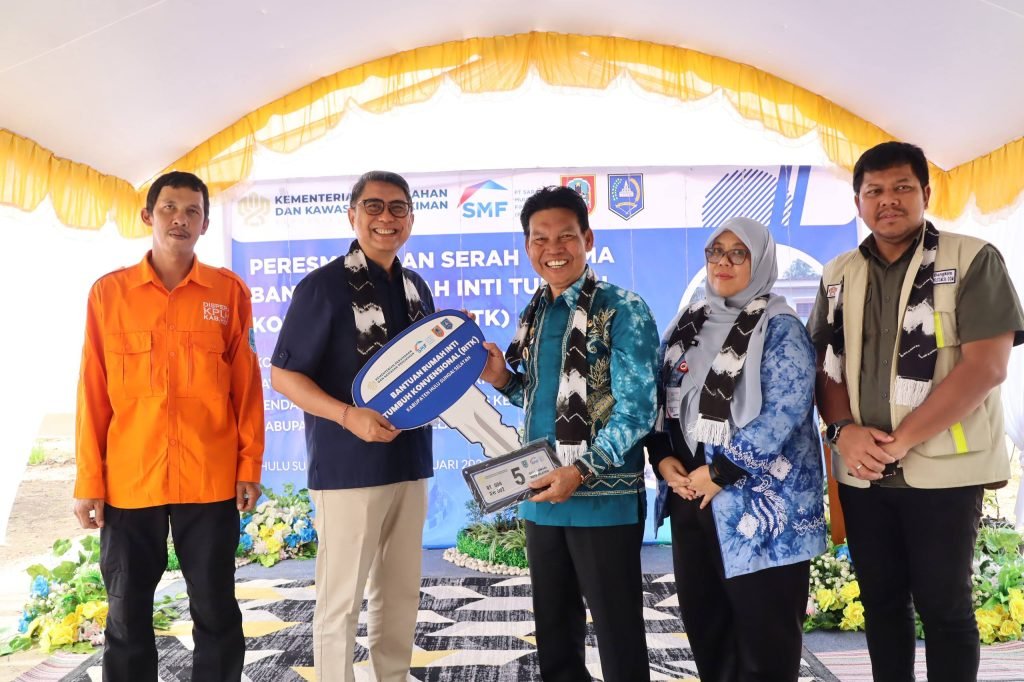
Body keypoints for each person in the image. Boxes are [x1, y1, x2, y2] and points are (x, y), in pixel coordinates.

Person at [808, 141, 1024, 682]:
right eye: (875, 190)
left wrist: (902, 439)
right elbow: (826, 365)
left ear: (926, 193)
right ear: (858, 202)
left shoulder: (972, 259)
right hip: (863, 471)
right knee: (881, 605)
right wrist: (842, 430)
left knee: (944, 607)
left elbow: (986, 366)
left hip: (943, 471)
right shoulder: (837, 273)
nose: (889, 200)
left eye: (902, 187)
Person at [74, 171, 264, 681]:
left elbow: (246, 387)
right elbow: (92, 392)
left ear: (205, 223)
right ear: (148, 216)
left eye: (192, 211)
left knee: (216, 607)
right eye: (169, 208)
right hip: (130, 481)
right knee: (126, 612)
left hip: (209, 477)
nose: (180, 219)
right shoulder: (109, 294)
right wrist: (89, 480)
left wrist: (248, 465)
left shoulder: (228, 292)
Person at [479, 185, 658, 682]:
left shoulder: (622, 308)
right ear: (527, 246)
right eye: (540, 238)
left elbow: (639, 410)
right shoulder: (535, 313)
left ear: (588, 239)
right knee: (554, 632)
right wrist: (502, 380)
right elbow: (543, 400)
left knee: (618, 633)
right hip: (541, 493)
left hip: (603, 497)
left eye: (565, 236)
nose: (552, 249)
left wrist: (579, 471)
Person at [270, 171, 434, 682]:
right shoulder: (322, 287)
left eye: (398, 207)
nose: (386, 218)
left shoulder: (416, 289)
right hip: (348, 469)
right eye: (374, 206)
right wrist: (347, 415)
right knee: (341, 599)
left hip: (410, 462)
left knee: (401, 593)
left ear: (411, 218)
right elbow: (283, 376)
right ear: (352, 215)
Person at [647, 216, 826, 681]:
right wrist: (662, 457)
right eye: (715, 251)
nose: (722, 262)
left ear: (760, 260)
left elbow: (786, 410)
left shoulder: (780, 327)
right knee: (709, 633)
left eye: (737, 253)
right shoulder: (688, 322)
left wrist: (721, 472)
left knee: (766, 643)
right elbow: (659, 397)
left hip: (760, 512)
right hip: (692, 497)